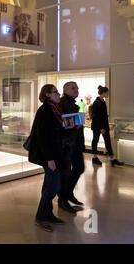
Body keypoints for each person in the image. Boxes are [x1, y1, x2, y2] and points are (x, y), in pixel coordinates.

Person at [28, 84, 66, 232]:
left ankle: (47, 213)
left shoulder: (54, 109)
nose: (58, 94)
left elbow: (56, 131)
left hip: (55, 153)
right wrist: (49, 159)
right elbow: (43, 137)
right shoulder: (45, 111)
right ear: (48, 95)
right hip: (49, 155)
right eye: (55, 92)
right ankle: (41, 216)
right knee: (53, 187)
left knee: (50, 185)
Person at [58, 81, 85, 213]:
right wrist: (75, 124)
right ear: (65, 90)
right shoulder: (63, 103)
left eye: (77, 88)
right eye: (73, 88)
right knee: (66, 172)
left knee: (79, 167)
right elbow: (63, 123)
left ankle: (68, 193)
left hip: (75, 143)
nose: (76, 90)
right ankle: (62, 199)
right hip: (67, 144)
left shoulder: (72, 104)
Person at [91, 85, 124, 166]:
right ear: (104, 93)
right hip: (98, 127)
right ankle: (94, 157)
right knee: (95, 140)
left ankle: (112, 159)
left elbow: (101, 115)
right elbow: (95, 117)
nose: (108, 94)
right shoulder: (96, 103)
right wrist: (101, 128)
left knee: (108, 141)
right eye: (107, 92)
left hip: (104, 125)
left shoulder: (103, 102)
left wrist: (105, 116)